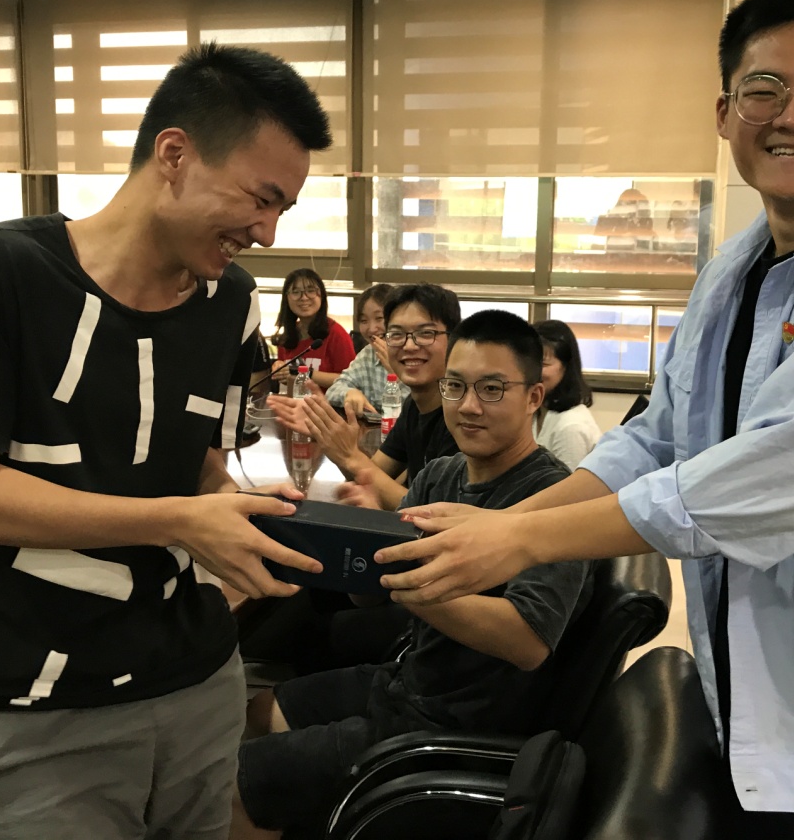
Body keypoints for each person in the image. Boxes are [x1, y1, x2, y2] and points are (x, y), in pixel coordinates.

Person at [377, 0, 794, 839]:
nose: (792, 116)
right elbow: (657, 437)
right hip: (760, 729)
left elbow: (772, 475)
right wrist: (501, 526)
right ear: (725, 115)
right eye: (762, 90)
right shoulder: (733, 268)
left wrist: (520, 540)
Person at [0, 42, 333, 840]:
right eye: (260, 199)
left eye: (282, 211)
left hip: (198, 682)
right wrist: (176, 520)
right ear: (174, 155)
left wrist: (237, 514)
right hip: (36, 706)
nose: (264, 231)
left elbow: (202, 468)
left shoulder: (231, 302)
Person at [231, 310, 590, 839]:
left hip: (455, 726)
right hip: (407, 683)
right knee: (258, 711)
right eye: (456, 386)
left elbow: (527, 640)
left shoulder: (553, 498)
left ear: (534, 397)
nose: (468, 406)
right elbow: (371, 599)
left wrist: (405, 579)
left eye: (492, 389)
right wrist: (359, 544)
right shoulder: (442, 474)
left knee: (236, 786)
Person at [270, 283, 461, 510]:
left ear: (455, 339)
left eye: (425, 333)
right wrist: (331, 438)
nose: (409, 345)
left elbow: (436, 514)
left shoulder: (464, 415)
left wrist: (350, 455)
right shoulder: (414, 406)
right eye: (396, 334)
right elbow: (371, 478)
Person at [325, 282, 411, 416]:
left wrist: (397, 372)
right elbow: (333, 390)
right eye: (364, 321)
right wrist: (350, 393)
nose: (371, 329)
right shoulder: (368, 353)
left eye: (379, 318)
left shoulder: (413, 352)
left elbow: (422, 406)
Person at [270, 267, 355, 390]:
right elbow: (291, 383)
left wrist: (306, 373)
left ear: (322, 295)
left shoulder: (336, 334)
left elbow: (350, 380)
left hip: (328, 402)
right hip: (295, 400)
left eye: (310, 291)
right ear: (286, 298)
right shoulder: (287, 336)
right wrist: (280, 369)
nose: (304, 297)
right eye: (295, 292)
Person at [532, 319, 601, 470]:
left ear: (566, 367)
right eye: (529, 362)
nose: (532, 371)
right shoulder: (540, 410)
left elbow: (569, 483)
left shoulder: (570, 427)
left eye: (543, 364)